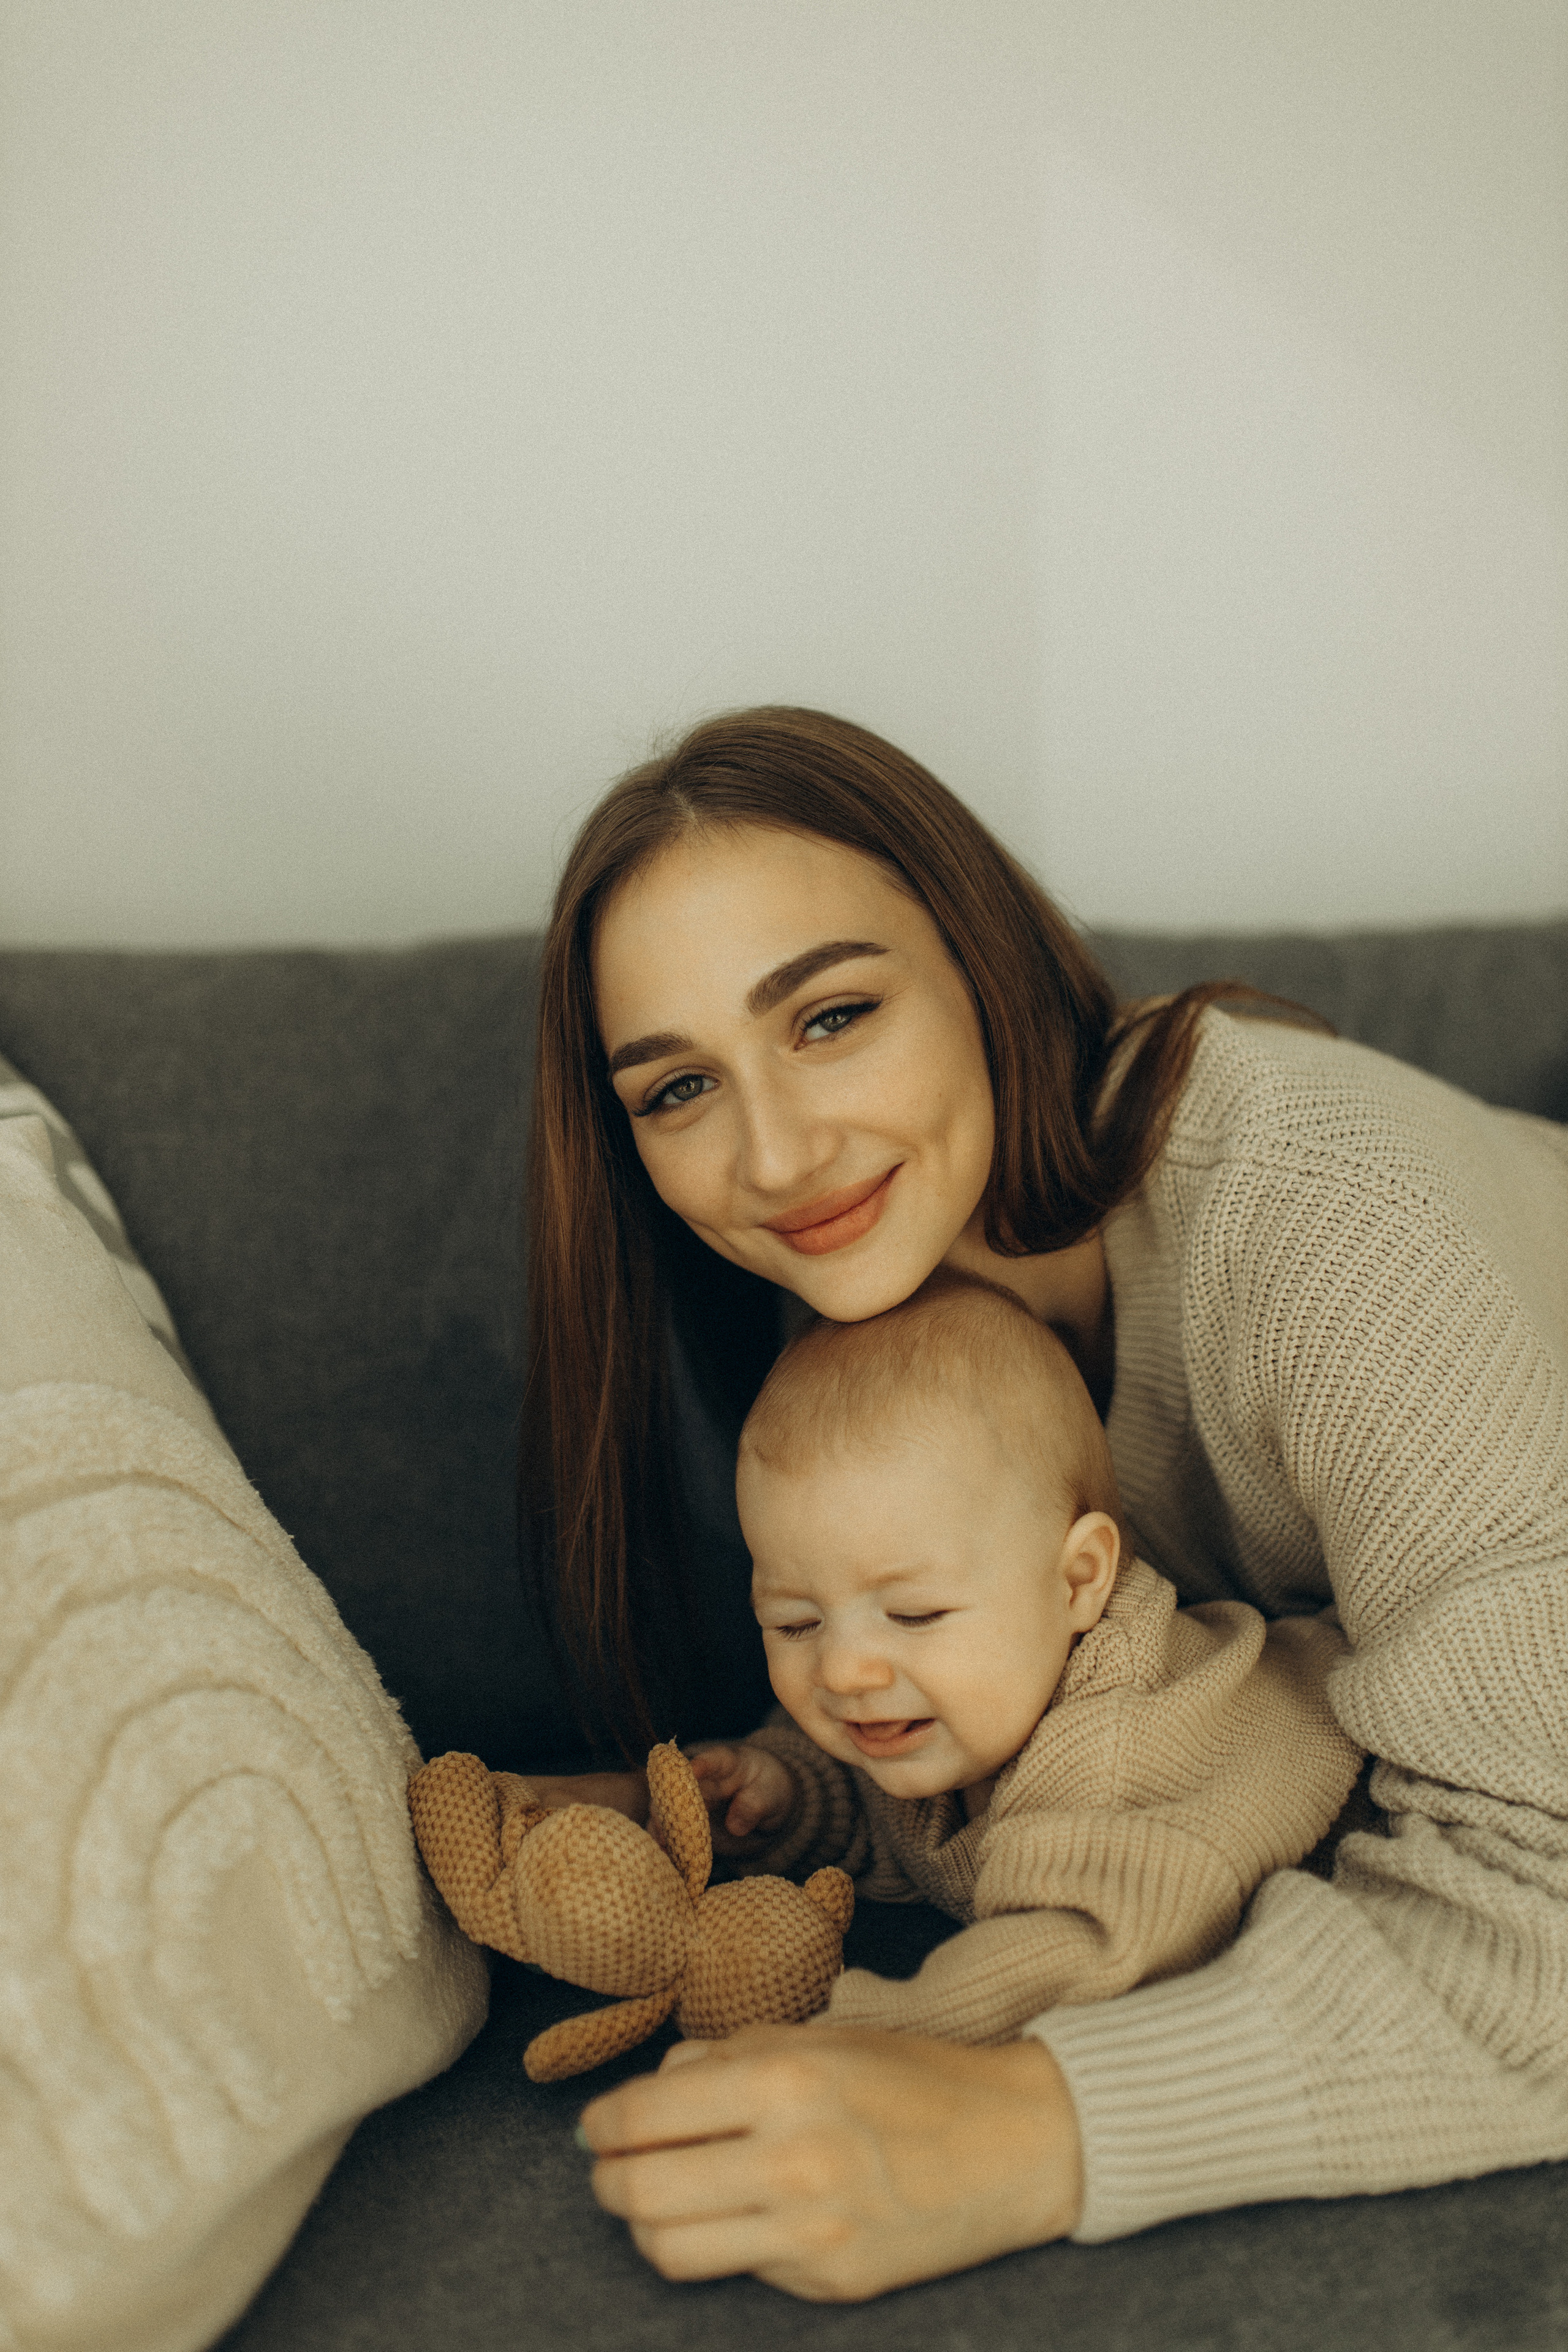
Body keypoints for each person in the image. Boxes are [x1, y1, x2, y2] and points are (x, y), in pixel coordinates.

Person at [518, 706, 1568, 2301]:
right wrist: (746, 1800)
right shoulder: (853, 1292)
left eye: (830, 1016)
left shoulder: (1328, 1224)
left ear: (985, 961)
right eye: (676, 1090)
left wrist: (1029, 2128)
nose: (776, 1156)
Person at [686, 1271, 1364, 2045]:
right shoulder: (958, 1701)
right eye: (795, 1624)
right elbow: (898, 1818)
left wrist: (846, 2045)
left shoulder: (1116, 1753)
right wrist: (788, 1796)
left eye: (914, 1614)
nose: (843, 1672)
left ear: (1077, 1581)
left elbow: (1079, 1960)